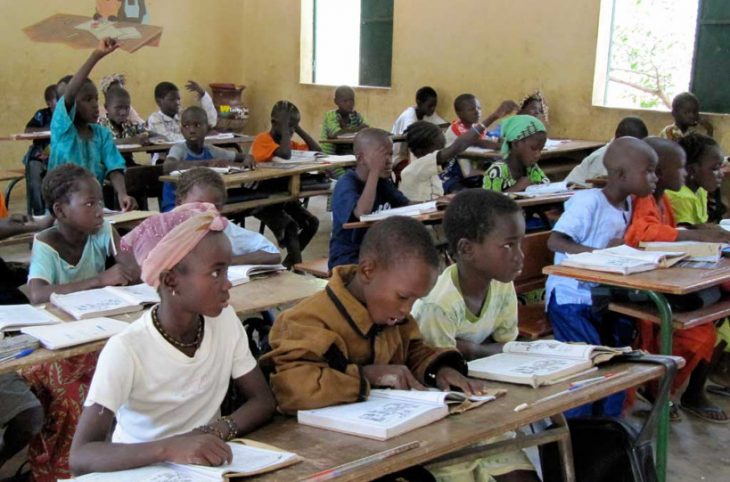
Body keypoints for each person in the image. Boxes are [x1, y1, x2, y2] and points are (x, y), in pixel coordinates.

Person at [70, 203, 276, 475]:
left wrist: (213, 431)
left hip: (202, 467)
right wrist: (170, 448)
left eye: (226, 271)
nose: (227, 283)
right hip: (138, 469)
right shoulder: (127, 349)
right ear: (170, 282)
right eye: (216, 273)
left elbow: (262, 401)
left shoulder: (224, 321)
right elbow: (81, 455)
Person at [264, 216, 488, 413]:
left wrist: (439, 370)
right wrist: (367, 376)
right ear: (367, 271)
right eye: (402, 297)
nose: (407, 309)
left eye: (415, 300)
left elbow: (414, 352)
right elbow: (292, 390)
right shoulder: (304, 321)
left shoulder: (394, 316)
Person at [21, 165, 137, 481]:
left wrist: (121, 251)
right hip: (57, 346)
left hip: (99, 335)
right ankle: (65, 469)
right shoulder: (46, 242)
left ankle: (121, 459)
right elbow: (38, 293)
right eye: (90, 204)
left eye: (101, 202)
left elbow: (132, 269)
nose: (100, 210)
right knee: (82, 395)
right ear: (60, 210)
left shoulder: (101, 231)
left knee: (131, 377)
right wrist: (100, 280)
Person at [412, 189, 537, 482]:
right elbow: (442, 375)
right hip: (445, 425)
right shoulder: (438, 305)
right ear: (467, 250)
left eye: (520, 243)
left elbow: (506, 347)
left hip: (484, 404)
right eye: (508, 246)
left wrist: (468, 349)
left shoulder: (502, 284)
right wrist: (477, 351)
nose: (519, 257)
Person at [545, 137, 658, 417]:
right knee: (587, 364)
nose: (655, 178)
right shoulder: (589, 202)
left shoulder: (629, 206)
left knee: (619, 358)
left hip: (602, 298)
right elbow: (556, 241)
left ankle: (607, 425)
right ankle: (576, 429)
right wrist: (601, 254)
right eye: (649, 171)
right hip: (571, 299)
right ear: (621, 175)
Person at [624, 137, 728, 423]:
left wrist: (698, 233)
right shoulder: (645, 199)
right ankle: (658, 389)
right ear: (657, 172)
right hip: (643, 286)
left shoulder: (662, 201)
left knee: (704, 327)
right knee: (698, 333)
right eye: (680, 168)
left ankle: (664, 390)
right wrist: (692, 235)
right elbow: (643, 235)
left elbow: (667, 236)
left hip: (665, 278)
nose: (685, 174)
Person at [48, 38, 136, 212]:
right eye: (87, 100)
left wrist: (122, 194)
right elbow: (70, 93)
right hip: (62, 206)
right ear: (72, 105)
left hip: (93, 204)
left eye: (96, 98)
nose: (95, 105)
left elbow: (114, 166)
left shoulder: (101, 134)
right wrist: (96, 56)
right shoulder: (63, 130)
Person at [400, 99, 517, 201]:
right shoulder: (414, 170)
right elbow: (459, 145)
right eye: (439, 150)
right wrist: (494, 116)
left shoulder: (433, 171)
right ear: (421, 152)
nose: (444, 151)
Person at [250, 101, 321, 268]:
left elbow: (318, 151)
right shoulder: (263, 140)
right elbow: (285, 155)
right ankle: (298, 268)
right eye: (287, 126)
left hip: (283, 196)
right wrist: (285, 132)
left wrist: (298, 128)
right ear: (274, 123)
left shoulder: (288, 141)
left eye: (292, 127)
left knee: (312, 223)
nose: (290, 131)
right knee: (290, 226)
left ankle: (289, 266)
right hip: (262, 199)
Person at [328, 128, 409, 270]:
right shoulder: (346, 184)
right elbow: (362, 212)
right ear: (360, 158)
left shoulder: (383, 183)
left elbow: (407, 206)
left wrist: (437, 204)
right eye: (381, 156)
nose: (389, 161)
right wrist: (375, 171)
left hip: (376, 254)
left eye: (390, 155)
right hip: (347, 259)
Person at [175, 167, 281, 265]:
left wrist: (225, 262)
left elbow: (273, 253)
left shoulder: (224, 229)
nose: (208, 212)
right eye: (199, 205)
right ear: (179, 203)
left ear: (221, 209)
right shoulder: (164, 229)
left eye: (215, 207)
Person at [161, 106, 249, 212]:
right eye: (186, 126)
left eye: (197, 125)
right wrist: (206, 164)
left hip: (200, 206)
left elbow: (238, 156)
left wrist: (248, 157)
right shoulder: (179, 149)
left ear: (207, 128)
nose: (192, 130)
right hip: (175, 206)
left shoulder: (210, 150)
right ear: (181, 130)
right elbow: (168, 166)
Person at [564, 116, 649, 185]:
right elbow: (594, 187)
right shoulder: (604, 157)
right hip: (571, 197)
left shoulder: (624, 154)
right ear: (618, 138)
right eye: (632, 146)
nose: (637, 150)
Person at [665, 133, 724, 227]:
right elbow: (686, 233)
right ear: (692, 170)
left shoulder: (701, 190)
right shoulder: (681, 197)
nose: (722, 173)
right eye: (715, 168)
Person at [482, 115, 549, 193]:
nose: (538, 155)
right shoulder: (497, 170)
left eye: (540, 149)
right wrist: (517, 188)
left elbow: (547, 188)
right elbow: (488, 202)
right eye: (533, 148)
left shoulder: (532, 168)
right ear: (516, 144)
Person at [391, 86, 447, 166]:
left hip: (416, 154)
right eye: (430, 106)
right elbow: (411, 140)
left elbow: (444, 125)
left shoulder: (428, 114)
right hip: (399, 156)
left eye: (435, 106)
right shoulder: (409, 116)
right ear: (419, 102)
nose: (433, 109)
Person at [147, 80, 218, 143]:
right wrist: (199, 134)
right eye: (172, 99)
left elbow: (211, 121)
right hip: (164, 156)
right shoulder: (155, 119)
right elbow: (167, 137)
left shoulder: (183, 114)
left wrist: (203, 94)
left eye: (178, 99)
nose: (177, 102)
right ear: (159, 102)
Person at [24, 84, 58, 215]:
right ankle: (39, 212)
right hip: (40, 155)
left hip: (59, 156)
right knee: (33, 170)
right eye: (58, 99)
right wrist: (49, 129)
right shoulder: (42, 115)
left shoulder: (69, 116)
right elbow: (28, 130)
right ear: (49, 103)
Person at [98, 86, 150, 166]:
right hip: (107, 166)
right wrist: (132, 140)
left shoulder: (129, 125)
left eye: (127, 108)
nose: (123, 112)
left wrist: (146, 138)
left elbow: (148, 132)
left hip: (127, 163)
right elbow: (103, 144)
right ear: (106, 107)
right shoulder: (100, 126)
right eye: (118, 108)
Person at [320, 85, 368, 155]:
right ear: (336, 101)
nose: (349, 104)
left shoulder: (356, 116)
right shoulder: (331, 115)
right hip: (330, 157)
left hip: (347, 154)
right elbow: (337, 134)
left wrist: (346, 130)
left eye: (351, 100)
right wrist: (358, 129)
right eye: (345, 101)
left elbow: (367, 129)